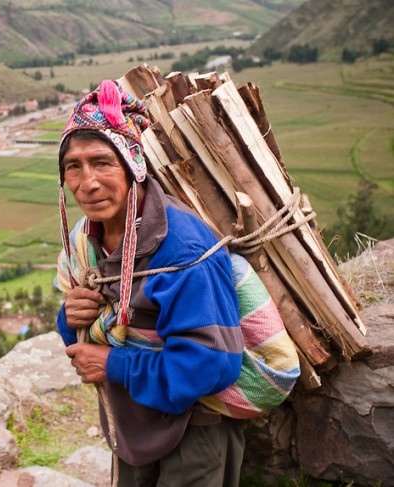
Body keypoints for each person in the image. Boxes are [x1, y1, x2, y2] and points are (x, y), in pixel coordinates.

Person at [54, 80, 246, 486]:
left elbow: (213, 363)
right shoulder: (87, 241)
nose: (86, 183)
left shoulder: (183, 251)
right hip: (133, 419)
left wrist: (113, 363)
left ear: (133, 163)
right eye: (74, 165)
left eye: (102, 162)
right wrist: (68, 317)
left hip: (195, 430)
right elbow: (95, 330)